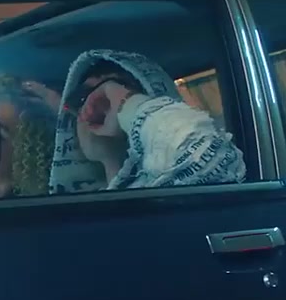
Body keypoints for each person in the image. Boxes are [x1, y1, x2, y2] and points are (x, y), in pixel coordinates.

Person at [31, 50, 246, 194]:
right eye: (81, 96)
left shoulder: (168, 193)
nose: (94, 104)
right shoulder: (73, 215)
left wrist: (125, 102)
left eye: (116, 89)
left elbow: (210, 162)